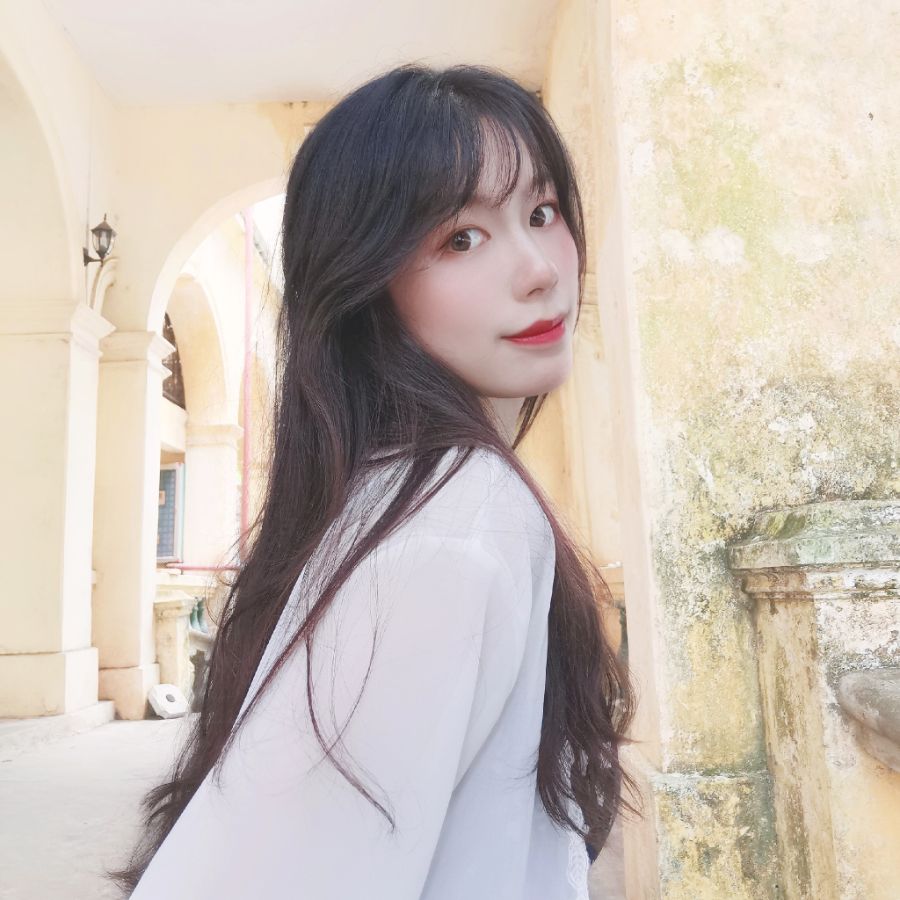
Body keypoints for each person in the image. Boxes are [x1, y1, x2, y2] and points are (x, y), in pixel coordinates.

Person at [110, 62, 637, 899]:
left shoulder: (410, 500)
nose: (540, 268)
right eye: (460, 238)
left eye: (542, 212)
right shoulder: (455, 530)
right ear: (365, 284)